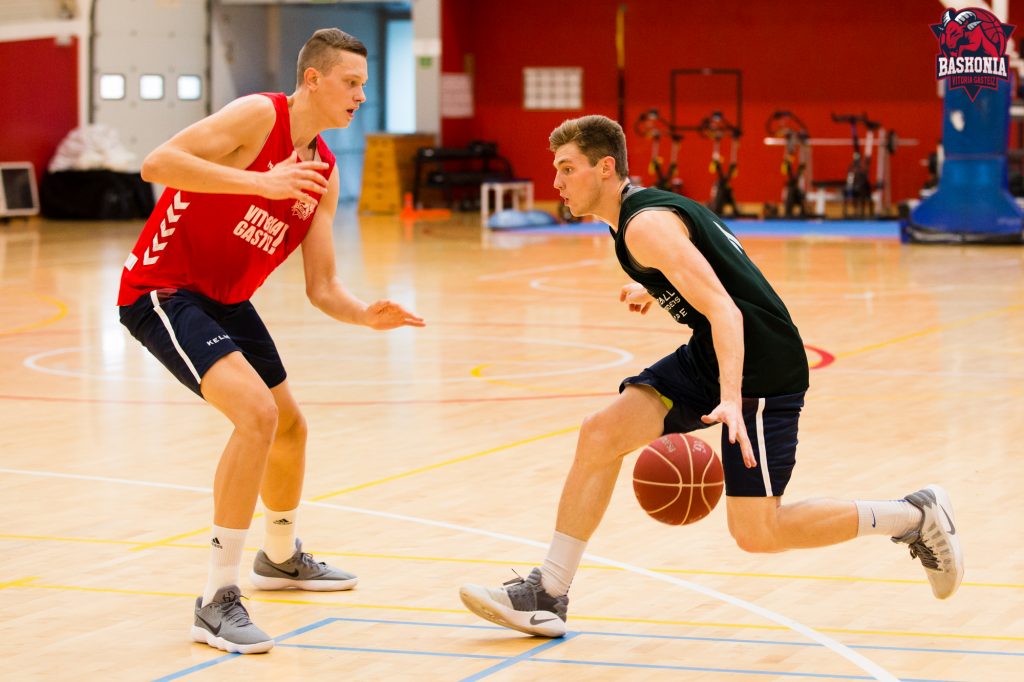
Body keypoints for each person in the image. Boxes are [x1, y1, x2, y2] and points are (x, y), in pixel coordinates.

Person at [458, 115, 962, 638]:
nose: (556, 183)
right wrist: (659, 289)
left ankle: (911, 515)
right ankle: (549, 591)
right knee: (601, 432)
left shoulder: (644, 225)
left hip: (759, 367)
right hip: (714, 353)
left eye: (568, 169)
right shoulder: (639, 215)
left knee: (758, 532)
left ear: (605, 168)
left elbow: (727, 311)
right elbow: (719, 268)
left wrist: (729, 398)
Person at [118, 28, 425, 654]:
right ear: (312, 79)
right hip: (162, 287)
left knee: (290, 426)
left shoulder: (325, 171)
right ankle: (215, 599)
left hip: (228, 301)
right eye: (351, 83)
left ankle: (279, 557)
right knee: (256, 416)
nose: (361, 96)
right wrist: (260, 184)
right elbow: (157, 164)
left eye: (364, 85)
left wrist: (366, 314)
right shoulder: (260, 116)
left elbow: (323, 286)